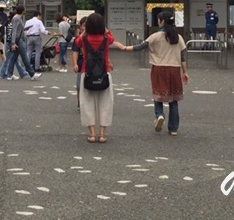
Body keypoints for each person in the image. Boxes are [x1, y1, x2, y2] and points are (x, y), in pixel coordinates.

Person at [115, 10, 189, 136]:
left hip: (159, 68)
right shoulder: (178, 37)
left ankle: (159, 115)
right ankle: (173, 128)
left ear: (162, 21)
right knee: (173, 99)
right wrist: (185, 72)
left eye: (159, 20)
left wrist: (124, 48)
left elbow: (140, 46)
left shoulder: (156, 36)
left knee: (158, 95)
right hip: (174, 70)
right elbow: (183, 56)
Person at [73, 12, 116, 143]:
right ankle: (102, 134)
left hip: (87, 73)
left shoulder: (84, 39)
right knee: (105, 103)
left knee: (87, 103)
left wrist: (84, 31)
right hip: (104, 72)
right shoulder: (106, 38)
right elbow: (112, 37)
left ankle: (92, 134)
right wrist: (105, 29)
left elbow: (76, 42)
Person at [6, 6, 41, 81]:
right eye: (25, 10)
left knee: (14, 57)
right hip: (18, 40)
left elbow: (17, 29)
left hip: (18, 39)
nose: (26, 11)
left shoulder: (18, 18)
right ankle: (32, 73)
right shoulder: (16, 18)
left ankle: (10, 74)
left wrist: (25, 29)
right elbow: (14, 30)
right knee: (24, 56)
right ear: (22, 11)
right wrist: (13, 43)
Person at [70, 16, 88, 112]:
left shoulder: (93, 38)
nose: (86, 28)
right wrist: (75, 63)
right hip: (81, 65)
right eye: (84, 26)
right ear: (80, 27)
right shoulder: (78, 39)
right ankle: (80, 104)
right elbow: (75, 51)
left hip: (91, 66)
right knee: (79, 86)